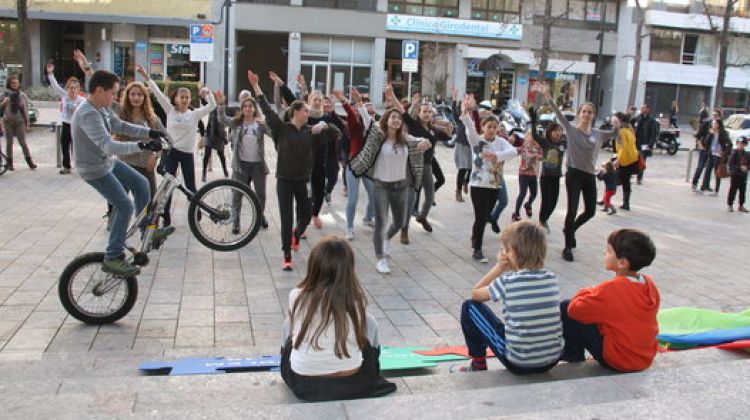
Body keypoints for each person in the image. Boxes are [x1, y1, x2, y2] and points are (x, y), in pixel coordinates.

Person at [70, 70, 169, 276]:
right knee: (124, 205)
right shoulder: (88, 113)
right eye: (112, 93)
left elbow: (120, 125)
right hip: (94, 169)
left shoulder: (102, 107)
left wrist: (149, 132)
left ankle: (146, 232)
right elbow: (108, 145)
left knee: (142, 184)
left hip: (107, 162)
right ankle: (113, 256)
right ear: (98, 90)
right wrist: (142, 145)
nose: (115, 97)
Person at [280, 236, 396, 401]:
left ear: (313, 266)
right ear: (349, 269)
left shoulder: (296, 295)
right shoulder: (355, 298)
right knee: (368, 322)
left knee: (288, 324)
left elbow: (293, 331)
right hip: (354, 382)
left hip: (304, 384)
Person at [248, 69, 339, 271]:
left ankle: (296, 234)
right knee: (286, 217)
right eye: (306, 110)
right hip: (284, 181)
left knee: (306, 215)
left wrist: (324, 124)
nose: (309, 113)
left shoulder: (312, 132)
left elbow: (337, 133)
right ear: (296, 112)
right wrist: (256, 86)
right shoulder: (282, 130)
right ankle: (287, 254)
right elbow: (267, 109)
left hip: (303, 180)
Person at [455, 221, 562, 374]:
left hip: (519, 362)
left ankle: (478, 364)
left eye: (504, 249)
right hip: (552, 360)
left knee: (469, 307)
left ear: (511, 252)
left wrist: (498, 268)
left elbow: (475, 294)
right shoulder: (551, 278)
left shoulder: (508, 281)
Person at [348, 85, 431, 274]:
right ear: (387, 120)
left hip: (401, 185)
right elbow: (369, 121)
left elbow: (418, 141)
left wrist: (424, 142)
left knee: (400, 222)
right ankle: (380, 258)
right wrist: (359, 102)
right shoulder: (378, 136)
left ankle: (386, 239)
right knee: (381, 221)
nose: (396, 119)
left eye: (399, 118)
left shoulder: (405, 138)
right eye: (393, 117)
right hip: (381, 186)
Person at [537, 82, 618, 262]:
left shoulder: (598, 134)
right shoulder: (572, 130)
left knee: (590, 211)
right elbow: (557, 113)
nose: (587, 114)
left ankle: (570, 229)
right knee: (572, 209)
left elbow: (614, 133)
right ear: (579, 113)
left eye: (590, 112)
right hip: (573, 174)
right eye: (584, 111)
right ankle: (567, 247)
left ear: (594, 115)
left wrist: (616, 123)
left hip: (589, 175)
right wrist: (547, 95)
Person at [560, 229, 660, 372]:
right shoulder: (649, 284)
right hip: (644, 358)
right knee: (599, 312)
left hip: (619, 360)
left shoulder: (611, 289)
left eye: (608, 251)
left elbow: (574, 310)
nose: (604, 253)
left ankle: (573, 356)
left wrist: (588, 290)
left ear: (622, 263)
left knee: (565, 306)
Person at [138, 65, 216, 227]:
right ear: (175, 99)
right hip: (171, 153)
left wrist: (207, 93)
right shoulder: (170, 110)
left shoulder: (194, 114)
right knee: (167, 186)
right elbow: (158, 94)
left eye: (187, 97)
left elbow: (211, 106)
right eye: (182, 96)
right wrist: (147, 77)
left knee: (191, 186)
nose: (184, 99)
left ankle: (197, 210)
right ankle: (165, 216)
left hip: (187, 154)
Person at [459, 95, 519, 263]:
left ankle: (475, 238)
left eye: (495, 127)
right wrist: (467, 112)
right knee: (480, 216)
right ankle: (477, 249)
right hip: (478, 185)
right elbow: (469, 127)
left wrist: (497, 156)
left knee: (485, 216)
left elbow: (514, 151)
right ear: (483, 127)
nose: (492, 130)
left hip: (494, 186)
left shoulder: (501, 142)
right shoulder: (476, 141)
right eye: (489, 126)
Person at [214, 91, 270, 230]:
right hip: (241, 165)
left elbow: (275, 133)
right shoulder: (237, 123)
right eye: (245, 106)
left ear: (254, 108)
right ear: (242, 108)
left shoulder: (260, 125)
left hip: (258, 165)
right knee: (237, 194)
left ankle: (259, 215)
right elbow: (222, 119)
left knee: (260, 194)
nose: (247, 108)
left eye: (250, 106)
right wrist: (221, 104)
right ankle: (236, 220)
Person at [401, 94, 450, 242]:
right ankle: (404, 230)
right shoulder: (413, 124)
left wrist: (450, 128)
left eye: (430, 112)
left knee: (430, 195)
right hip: (412, 164)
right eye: (424, 111)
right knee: (411, 197)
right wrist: (392, 96)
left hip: (427, 165)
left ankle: (422, 216)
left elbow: (447, 136)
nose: (427, 114)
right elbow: (402, 112)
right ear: (419, 113)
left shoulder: (434, 130)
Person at [332, 88, 375, 240]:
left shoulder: (374, 128)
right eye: (366, 111)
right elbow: (350, 113)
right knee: (353, 198)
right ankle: (349, 228)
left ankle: (368, 218)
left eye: (373, 112)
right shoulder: (355, 127)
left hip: (368, 168)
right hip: (354, 166)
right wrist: (344, 100)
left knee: (374, 195)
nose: (370, 114)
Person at [115, 81, 168, 199]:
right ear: (127, 96)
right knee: (119, 205)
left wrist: (155, 157)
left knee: (148, 207)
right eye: (133, 94)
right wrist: (87, 71)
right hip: (124, 164)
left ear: (145, 97)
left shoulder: (152, 119)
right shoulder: (120, 114)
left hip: (145, 167)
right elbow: (101, 95)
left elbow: (167, 140)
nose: (136, 97)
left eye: (140, 95)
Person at [528, 107, 566, 233]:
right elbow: (534, 135)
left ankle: (544, 219)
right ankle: (542, 221)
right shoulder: (545, 143)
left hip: (556, 177)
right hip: (545, 177)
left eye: (559, 131)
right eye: (555, 131)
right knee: (546, 201)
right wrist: (533, 122)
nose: (557, 133)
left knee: (553, 203)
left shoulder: (563, 143)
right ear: (550, 132)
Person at [46, 62, 85, 174]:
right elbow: (55, 86)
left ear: (78, 89)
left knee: (77, 147)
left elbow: (85, 113)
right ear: (67, 88)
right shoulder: (64, 96)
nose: (72, 90)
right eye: (70, 88)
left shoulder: (81, 101)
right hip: (66, 124)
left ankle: (80, 166)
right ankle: (66, 166)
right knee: (64, 145)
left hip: (77, 125)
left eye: (74, 88)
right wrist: (50, 73)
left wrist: (77, 111)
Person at [0, 76, 36, 170]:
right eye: (12, 83)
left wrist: (27, 124)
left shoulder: (22, 95)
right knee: (9, 143)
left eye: (16, 83)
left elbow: (25, 110)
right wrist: (4, 102)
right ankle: (10, 163)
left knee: (23, 142)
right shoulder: (5, 94)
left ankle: (29, 161)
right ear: (9, 84)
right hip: (8, 121)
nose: (15, 85)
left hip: (20, 122)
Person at [511, 130, 543, 222]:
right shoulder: (524, 146)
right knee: (522, 193)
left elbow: (541, 157)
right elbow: (515, 151)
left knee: (534, 194)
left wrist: (537, 155)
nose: (532, 138)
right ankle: (516, 213)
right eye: (530, 136)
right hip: (523, 174)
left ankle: (528, 204)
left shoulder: (538, 147)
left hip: (533, 174)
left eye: (534, 136)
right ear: (526, 137)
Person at [612, 112, 639, 210]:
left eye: (614, 120)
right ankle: (625, 202)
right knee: (624, 180)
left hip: (625, 160)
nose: (612, 122)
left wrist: (618, 160)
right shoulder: (629, 129)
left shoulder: (622, 132)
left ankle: (607, 199)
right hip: (631, 159)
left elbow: (624, 147)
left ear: (619, 121)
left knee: (612, 178)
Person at [692, 108, 722, 192]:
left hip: (713, 151)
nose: (714, 117)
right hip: (705, 148)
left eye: (716, 115)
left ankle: (705, 185)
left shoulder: (720, 125)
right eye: (713, 115)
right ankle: (695, 183)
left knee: (709, 168)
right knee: (701, 166)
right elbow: (698, 135)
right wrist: (700, 144)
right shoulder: (707, 123)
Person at [699, 119, 732, 195]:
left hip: (718, 155)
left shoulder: (723, 134)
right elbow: (706, 143)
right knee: (707, 171)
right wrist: (710, 134)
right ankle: (703, 187)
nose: (712, 125)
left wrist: (724, 152)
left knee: (717, 172)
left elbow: (729, 144)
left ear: (718, 125)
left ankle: (716, 190)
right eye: (712, 124)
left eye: (714, 124)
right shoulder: (712, 133)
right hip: (711, 153)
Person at [201, 96, 229, 182]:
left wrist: (225, 137)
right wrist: (202, 95)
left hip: (219, 136)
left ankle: (225, 171)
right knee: (206, 155)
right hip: (210, 135)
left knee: (221, 155)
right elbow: (205, 103)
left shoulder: (225, 110)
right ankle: (204, 173)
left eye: (222, 102)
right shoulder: (212, 108)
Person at [451, 88, 472, 203]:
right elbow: (454, 113)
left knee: (471, 168)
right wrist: (454, 98)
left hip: (472, 145)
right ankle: (458, 191)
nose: (467, 101)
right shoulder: (461, 116)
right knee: (463, 168)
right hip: (462, 144)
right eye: (465, 99)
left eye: (469, 99)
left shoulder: (474, 115)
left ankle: (466, 182)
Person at [633, 103, 659, 185]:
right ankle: (633, 174)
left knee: (642, 160)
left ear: (648, 109)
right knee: (634, 160)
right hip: (636, 143)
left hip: (645, 144)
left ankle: (639, 177)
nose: (642, 109)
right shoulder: (638, 118)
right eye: (641, 108)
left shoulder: (652, 120)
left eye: (644, 107)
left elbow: (654, 133)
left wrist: (650, 144)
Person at [727, 137, 749, 212]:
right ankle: (730, 205)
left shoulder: (747, 154)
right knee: (733, 190)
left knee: (742, 191)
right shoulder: (734, 152)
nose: (740, 145)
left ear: (745, 145)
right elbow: (730, 164)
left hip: (743, 175)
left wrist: (746, 167)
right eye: (739, 143)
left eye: (742, 144)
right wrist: (739, 167)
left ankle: (741, 205)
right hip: (735, 174)